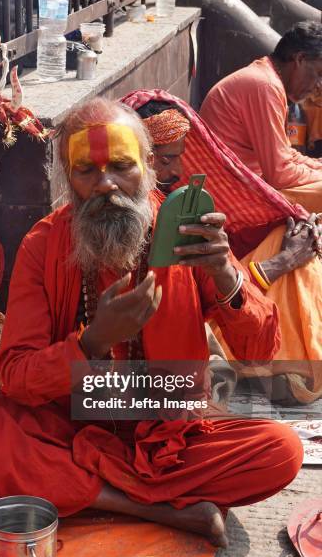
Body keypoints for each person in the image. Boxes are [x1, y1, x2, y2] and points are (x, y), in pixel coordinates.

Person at [0, 97, 302, 557]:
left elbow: (260, 351)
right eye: (87, 171)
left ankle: (88, 495)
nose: (106, 184)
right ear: (69, 178)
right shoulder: (42, 245)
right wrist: (92, 342)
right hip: (67, 427)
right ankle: (165, 510)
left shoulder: (188, 230)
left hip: (165, 433)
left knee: (281, 451)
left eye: (121, 166)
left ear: (149, 166)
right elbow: (18, 378)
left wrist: (227, 278)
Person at [122, 88, 322, 404]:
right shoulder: (57, 234)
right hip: (144, 375)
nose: (175, 173)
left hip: (207, 340)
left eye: (177, 159)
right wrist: (281, 262)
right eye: (164, 160)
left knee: (292, 240)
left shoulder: (175, 208)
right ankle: (294, 367)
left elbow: (209, 292)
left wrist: (264, 262)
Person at [200, 21, 322, 211]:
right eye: (319, 74)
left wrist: (316, 166)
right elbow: (280, 174)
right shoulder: (265, 86)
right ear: (300, 58)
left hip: (247, 186)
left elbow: (285, 155)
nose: (319, 86)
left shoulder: (268, 79)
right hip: (231, 198)